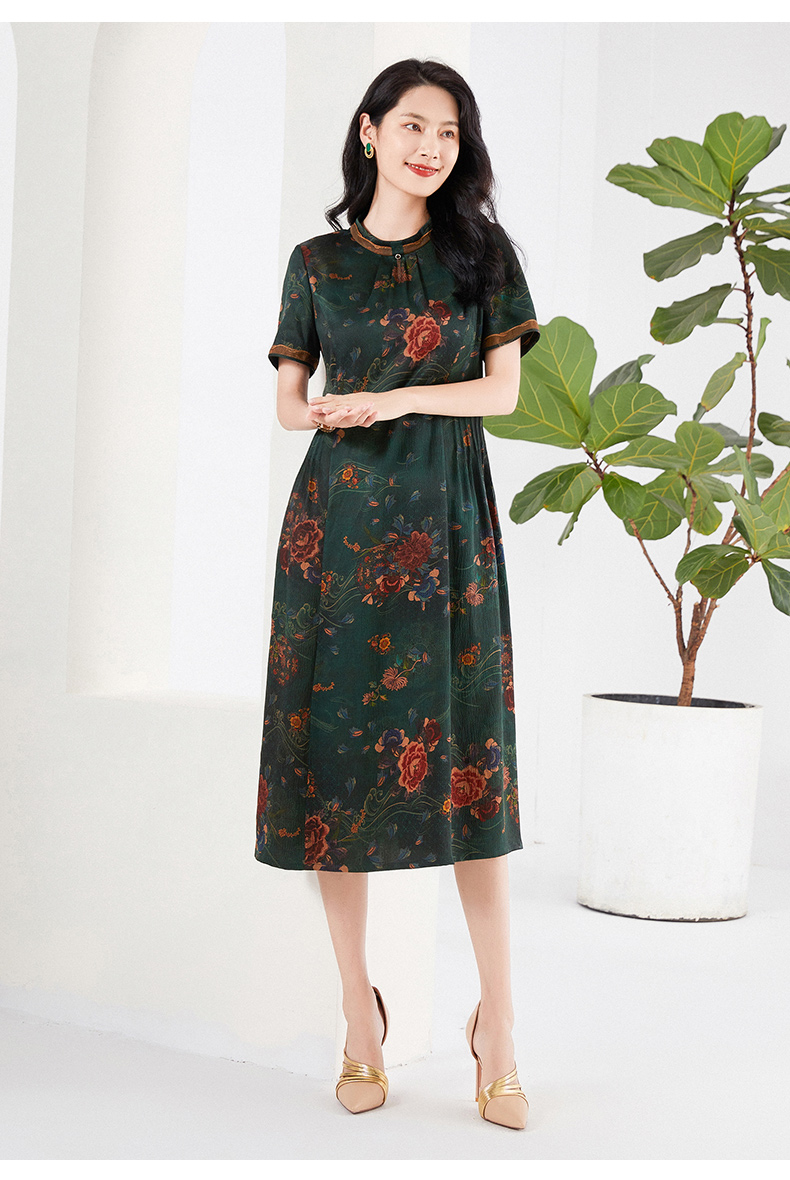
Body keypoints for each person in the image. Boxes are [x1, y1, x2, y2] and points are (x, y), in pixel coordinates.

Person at [256, 58, 539, 1129]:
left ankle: (497, 1028)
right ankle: (358, 1020)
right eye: (413, 125)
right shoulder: (316, 263)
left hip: (449, 525)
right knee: (339, 772)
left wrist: (392, 399)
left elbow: (501, 393)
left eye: (449, 132)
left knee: (471, 769)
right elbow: (291, 404)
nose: (431, 147)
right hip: (335, 533)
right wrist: (333, 411)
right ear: (370, 131)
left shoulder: (482, 255)